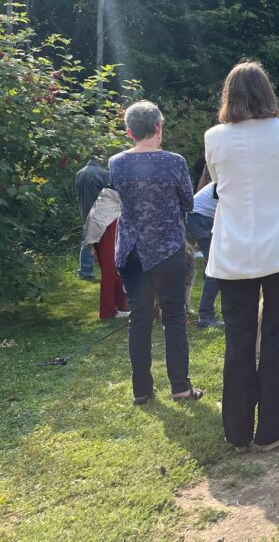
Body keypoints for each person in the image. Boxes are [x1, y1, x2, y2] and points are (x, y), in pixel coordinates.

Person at [205, 61, 279, 452]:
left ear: (228, 96)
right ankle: (270, 431)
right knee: (275, 337)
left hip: (233, 252)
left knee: (238, 340)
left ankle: (236, 433)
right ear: (268, 92)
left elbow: (219, 186)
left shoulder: (215, 137)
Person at [109, 101, 202, 405]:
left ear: (129, 132)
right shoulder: (174, 162)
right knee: (174, 317)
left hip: (131, 251)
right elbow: (188, 202)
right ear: (159, 128)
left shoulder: (116, 163)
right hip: (166, 249)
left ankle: (141, 391)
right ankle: (180, 387)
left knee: (139, 318)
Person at [82, 187, 128, 320]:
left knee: (115, 271)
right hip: (106, 232)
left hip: (103, 230)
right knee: (110, 272)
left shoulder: (106, 199)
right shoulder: (112, 201)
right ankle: (107, 311)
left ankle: (119, 306)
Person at [184, 179, 224, 328]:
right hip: (199, 218)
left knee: (215, 265)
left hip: (202, 217)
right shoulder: (227, 179)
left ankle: (209, 312)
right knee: (217, 266)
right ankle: (205, 316)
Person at [75, 156, 111, 279]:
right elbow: (112, 193)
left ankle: (85, 271)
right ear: (100, 160)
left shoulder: (79, 173)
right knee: (107, 242)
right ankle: (106, 271)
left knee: (87, 241)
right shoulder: (104, 174)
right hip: (102, 211)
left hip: (85, 211)